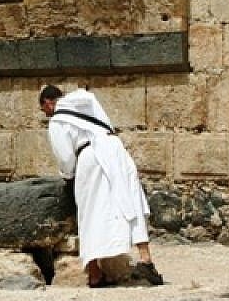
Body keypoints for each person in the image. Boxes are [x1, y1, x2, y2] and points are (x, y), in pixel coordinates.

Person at [39, 84, 163, 288]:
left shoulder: (57, 121)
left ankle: (95, 273)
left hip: (90, 156)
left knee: (90, 210)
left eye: (44, 109)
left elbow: (66, 158)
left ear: (48, 102)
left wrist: (68, 177)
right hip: (115, 148)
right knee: (130, 199)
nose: (45, 114)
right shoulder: (86, 101)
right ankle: (145, 258)